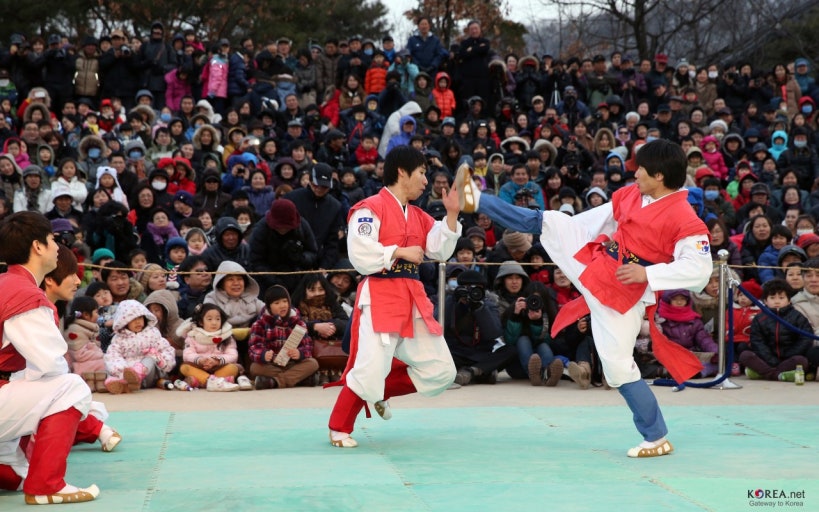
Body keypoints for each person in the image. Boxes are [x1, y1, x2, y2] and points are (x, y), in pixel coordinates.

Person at [456, 139, 713, 457]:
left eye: (641, 170)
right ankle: (476, 198)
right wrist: (562, 233)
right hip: (596, 265)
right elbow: (594, 220)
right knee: (550, 221)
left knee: (617, 368)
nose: (635, 174)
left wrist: (647, 274)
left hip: (622, 295)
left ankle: (656, 437)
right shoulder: (633, 194)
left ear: (659, 176)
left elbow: (700, 270)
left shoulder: (685, 218)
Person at [327, 146, 461, 448]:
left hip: (413, 297)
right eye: (422, 173)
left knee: (442, 370)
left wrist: (452, 213)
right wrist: (400, 251)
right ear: (402, 171)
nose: (426, 181)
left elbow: (439, 249)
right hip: (381, 295)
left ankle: (379, 391)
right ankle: (338, 427)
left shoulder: (418, 215)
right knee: (370, 369)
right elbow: (360, 253)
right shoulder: (369, 208)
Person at [0, 212, 103, 504]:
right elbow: (51, 367)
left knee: (17, 474)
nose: (58, 247)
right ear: (38, 246)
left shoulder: (6, 284)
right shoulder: (25, 295)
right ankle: (46, 485)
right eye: (52, 240)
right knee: (72, 388)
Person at [445, 270, 517, 385]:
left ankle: (472, 372)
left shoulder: (489, 304)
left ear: (483, 289)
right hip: (456, 353)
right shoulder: (449, 300)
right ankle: (484, 372)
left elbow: (494, 333)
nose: (470, 291)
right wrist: (453, 302)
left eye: (475, 288)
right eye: (467, 287)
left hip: (481, 354)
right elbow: (439, 326)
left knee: (511, 351)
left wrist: (479, 308)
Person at [248, 285, 319, 389]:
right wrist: (264, 354)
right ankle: (298, 380)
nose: (282, 306)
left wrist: (300, 353)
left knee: (313, 364)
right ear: (269, 307)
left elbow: (308, 346)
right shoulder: (260, 324)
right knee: (255, 367)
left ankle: (274, 382)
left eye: (285, 301)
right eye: (277, 303)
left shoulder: (298, 322)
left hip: (292, 363)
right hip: (272, 364)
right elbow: (254, 348)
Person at [741, 279, 813, 381]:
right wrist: (770, 359)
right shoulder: (759, 318)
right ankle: (778, 375)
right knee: (745, 355)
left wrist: (789, 355)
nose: (777, 301)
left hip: (789, 359)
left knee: (801, 361)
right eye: (772, 298)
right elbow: (757, 341)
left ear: (789, 300)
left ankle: (765, 373)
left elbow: (805, 339)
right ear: (765, 301)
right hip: (766, 359)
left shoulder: (797, 317)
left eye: (781, 298)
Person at [103, 299, 176, 393]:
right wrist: (122, 372)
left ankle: (135, 375)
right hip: (128, 374)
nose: (138, 322)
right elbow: (113, 357)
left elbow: (166, 349)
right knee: (110, 366)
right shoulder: (119, 339)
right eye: (133, 319)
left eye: (140, 318)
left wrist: (162, 360)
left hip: (150, 375)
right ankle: (123, 383)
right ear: (124, 322)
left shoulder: (152, 333)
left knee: (150, 358)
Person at [176, 303, 243, 391]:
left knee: (232, 368)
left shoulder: (227, 336)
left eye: (217, 319)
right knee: (184, 367)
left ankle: (201, 382)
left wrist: (217, 361)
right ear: (201, 322)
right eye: (209, 319)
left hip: (220, 366)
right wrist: (200, 360)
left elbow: (233, 355)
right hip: (200, 366)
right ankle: (217, 381)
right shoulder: (193, 335)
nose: (214, 323)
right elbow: (187, 354)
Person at [64, 296, 106, 393]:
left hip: (86, 362)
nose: (98, 315)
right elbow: (79, 355)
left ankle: (100, 383)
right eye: (96, 312)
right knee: (102, 362)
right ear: (86, 315)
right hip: (76, 366)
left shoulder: (90, 328)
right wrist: (100, 354)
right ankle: (90, 383)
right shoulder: (74, 330)